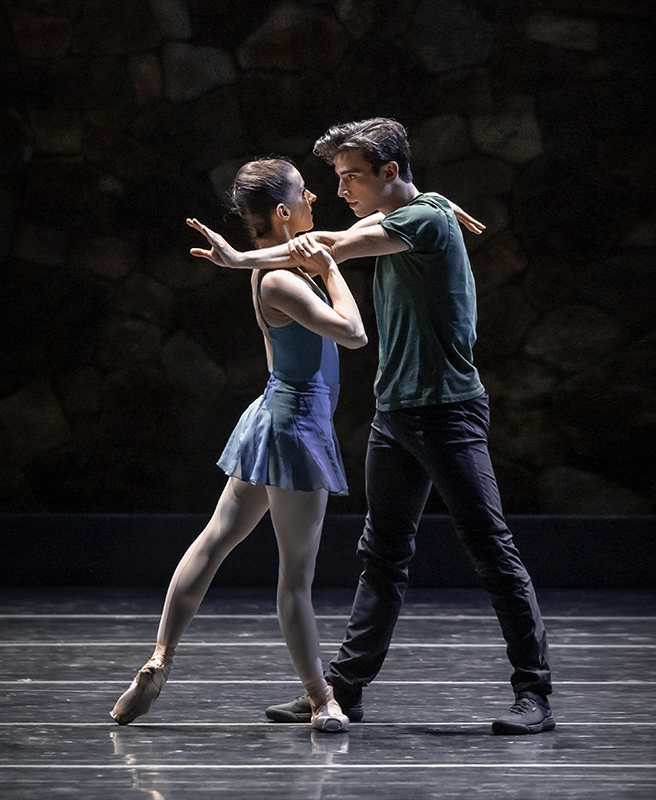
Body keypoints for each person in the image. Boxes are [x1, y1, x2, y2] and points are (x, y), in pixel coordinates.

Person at [184, 118, 556, 736]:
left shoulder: (424, 221)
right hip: (396, 415)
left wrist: (239, 257)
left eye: (352, 175)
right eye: (334, 177)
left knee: (492, 551)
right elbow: (358, 229)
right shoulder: (416, 214)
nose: (340, 188)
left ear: (390, 173)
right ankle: (344, 690)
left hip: (448, 412)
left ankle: (534, 693)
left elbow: (330, 243)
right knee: (382, 557)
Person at [109, 157, 368, 733]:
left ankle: (161, 659)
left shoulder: (277, 262)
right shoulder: (282, 277)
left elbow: (356, 235)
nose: (316, 202)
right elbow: (353, 333)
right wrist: (330, 271)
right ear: (282, 212)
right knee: (295, 574)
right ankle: (321, 697)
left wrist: (432, 209)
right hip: (295, 428)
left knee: (217, 539)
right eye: (305, 194)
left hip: (277, 417)